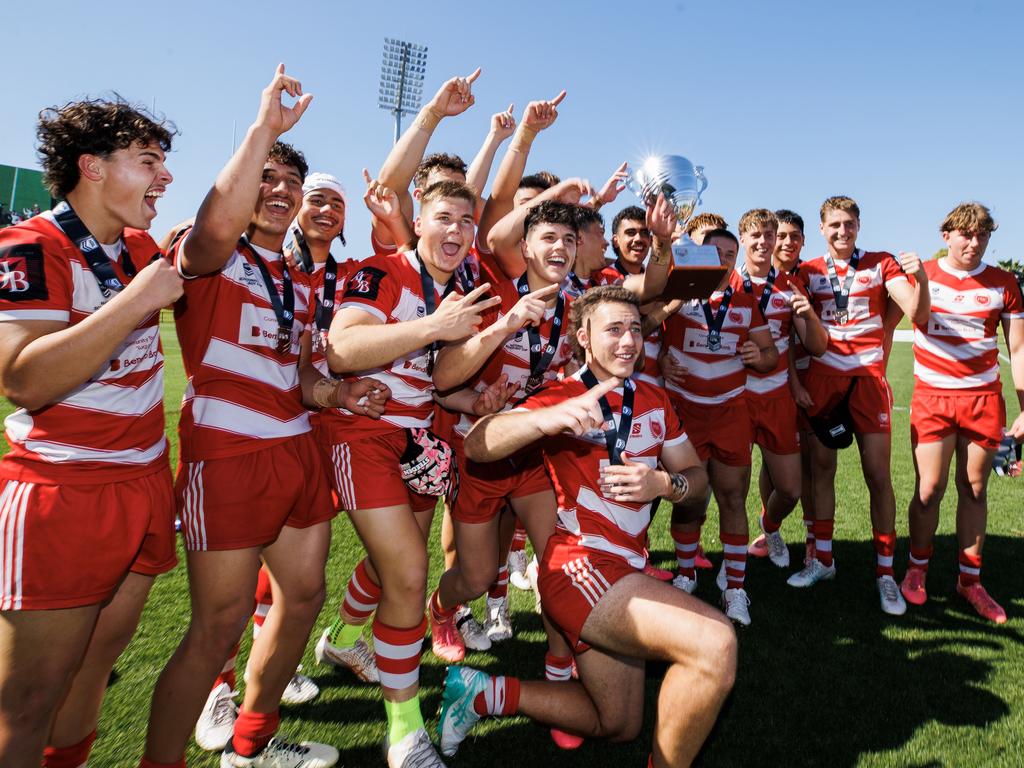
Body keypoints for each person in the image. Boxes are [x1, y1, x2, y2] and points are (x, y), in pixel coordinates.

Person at [141, 65, 378, 768]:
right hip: (228, 454)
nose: (279, 194)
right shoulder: (210, 250)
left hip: (296, 451)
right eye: (267, 182)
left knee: (301, 599)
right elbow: (215, 228)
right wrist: (264, 131)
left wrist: (336, 395)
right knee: (216, 630)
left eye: (289, 185)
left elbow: (296, 373)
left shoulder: (298, 278)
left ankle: (250, 747)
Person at [437, 285, 735, 768]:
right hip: (578, 566)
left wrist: (665, 483)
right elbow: (478, 444)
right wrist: (548, 418)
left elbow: (697, 481)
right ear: (584, 337)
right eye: (614, 329)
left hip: (629, 568)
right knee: (715, 643)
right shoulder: (559, 394)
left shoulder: (656, 398)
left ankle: (481, 693)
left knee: (616, 723)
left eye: (636, 329)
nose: (628, 340)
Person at [0, 97, 180, 768]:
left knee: (97, 660)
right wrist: (136, 298)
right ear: (91, 168)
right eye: (148, 162)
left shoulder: (139, 247)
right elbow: (23, 379)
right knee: (28, 697)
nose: (164, 178)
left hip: (141, 481)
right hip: (62, 491)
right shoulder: (30, 245)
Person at [326, 179, 500, 767]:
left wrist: (470, 401)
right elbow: (341, 350)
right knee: (408, 570)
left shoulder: (463, 291)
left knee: (387, 563)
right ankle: (404, 731)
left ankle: (345, 640)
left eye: (465, 223)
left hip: (421, 437)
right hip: (365, 436)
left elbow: (437, 380)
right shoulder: (379, 272)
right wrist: (433, 326)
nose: (456, 232)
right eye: (444, 218)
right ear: (418, 222)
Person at [788, 195, 929, 616]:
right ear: (822, 228)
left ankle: (886, 574)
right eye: (834, 225)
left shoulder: (882, 263)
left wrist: (918, 278)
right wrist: (796, 381)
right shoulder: (809, 271)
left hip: (868, 381)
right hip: (823, 378)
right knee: (821, 472)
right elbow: (794, 335)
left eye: (849, 224)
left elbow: (917, 313)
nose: (842, 231)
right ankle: (824, 560)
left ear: (859, 225)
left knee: (878, 476)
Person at [901, 202, 1024, 622]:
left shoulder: (1004, 283)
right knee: (929, 488)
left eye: (982, 235)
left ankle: (969, 582)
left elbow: (1019, 349)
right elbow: (911, 316)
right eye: (966, 234)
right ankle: (916, 571)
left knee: (974, 488)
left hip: (983, 399)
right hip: (933, 398)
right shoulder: (925, 275)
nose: (974, 242)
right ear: (946, 235)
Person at [659, 229, 778, 625]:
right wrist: (660, 363)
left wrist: (756, 355)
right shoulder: (677, 294)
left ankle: (736, 589)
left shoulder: (746, 300)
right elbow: (645, 332)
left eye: (731, 253)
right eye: (717, 252)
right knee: (689, 499)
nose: (725, 259)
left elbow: (770, 354)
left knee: (731, 499)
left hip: (729, 414)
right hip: (685, 416)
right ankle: (687, 573)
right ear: (704, 256)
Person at [732, 209, 826, 570]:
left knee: (789, 489)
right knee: (732, 490)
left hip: (775, 398)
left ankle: (768, 527)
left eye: (768, 236)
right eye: (755, 236)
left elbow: (814, 346)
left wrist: (809, 315)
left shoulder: (790, 286)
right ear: (743, 239)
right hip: (734, 398)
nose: (763, 242)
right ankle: (732, 559)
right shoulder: (726, 283)